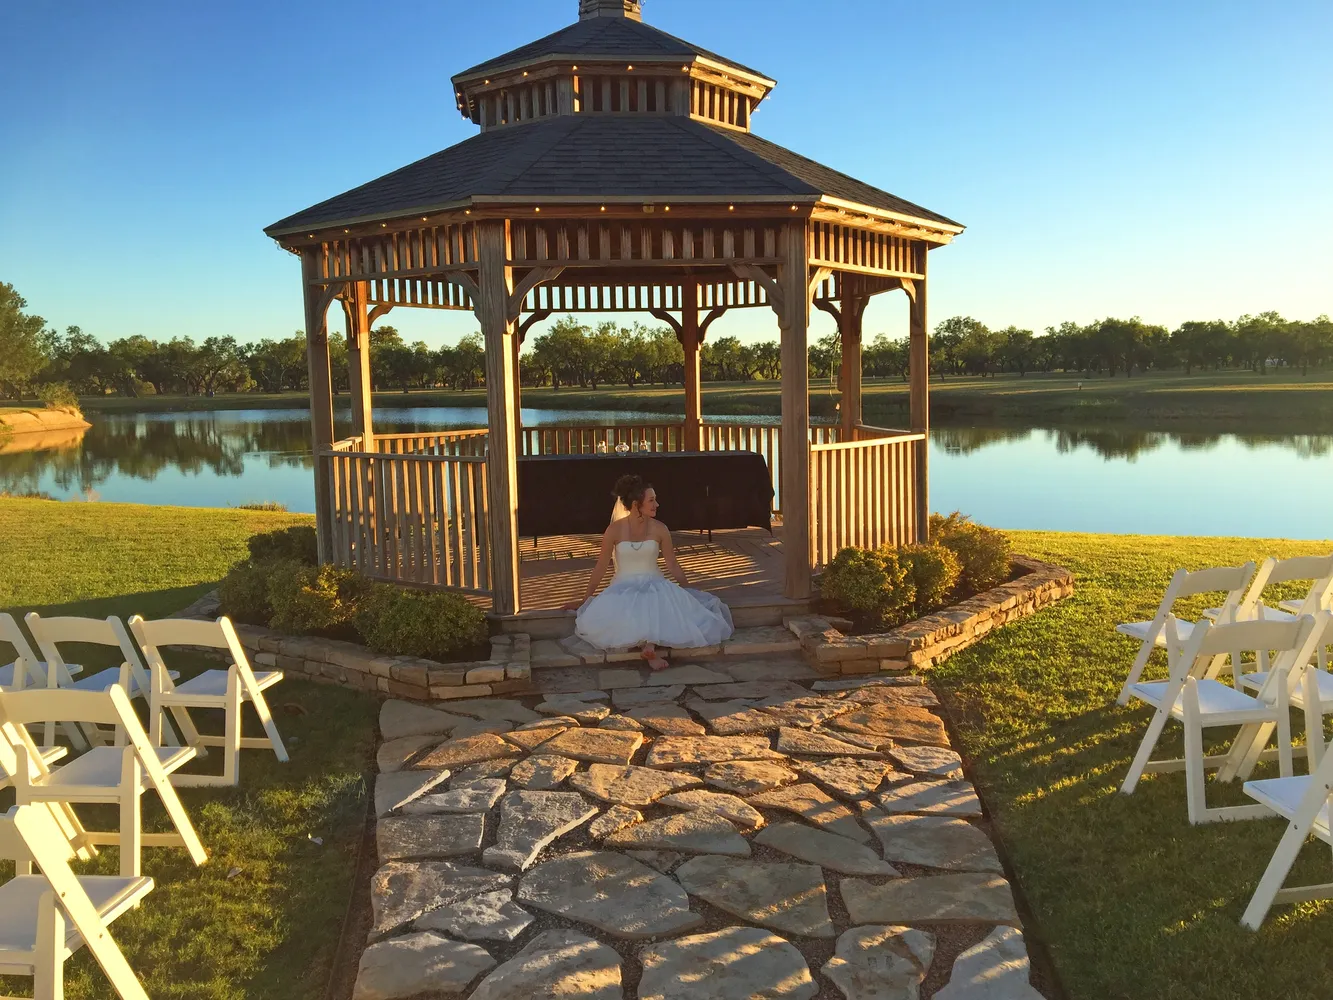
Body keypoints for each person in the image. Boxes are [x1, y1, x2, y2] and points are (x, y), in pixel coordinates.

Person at [564, 474, 733, 670]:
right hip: (623, 586)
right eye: (651, 500)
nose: (657, 504)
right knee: (633, 602)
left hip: (654, 582)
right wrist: (586, 597)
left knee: (652, 598)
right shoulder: (614, 530)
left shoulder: (660, 529)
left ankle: (649, 646)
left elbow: (672, 564)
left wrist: (689, 592)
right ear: (637, 503)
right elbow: (601, 566)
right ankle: (649, 646)